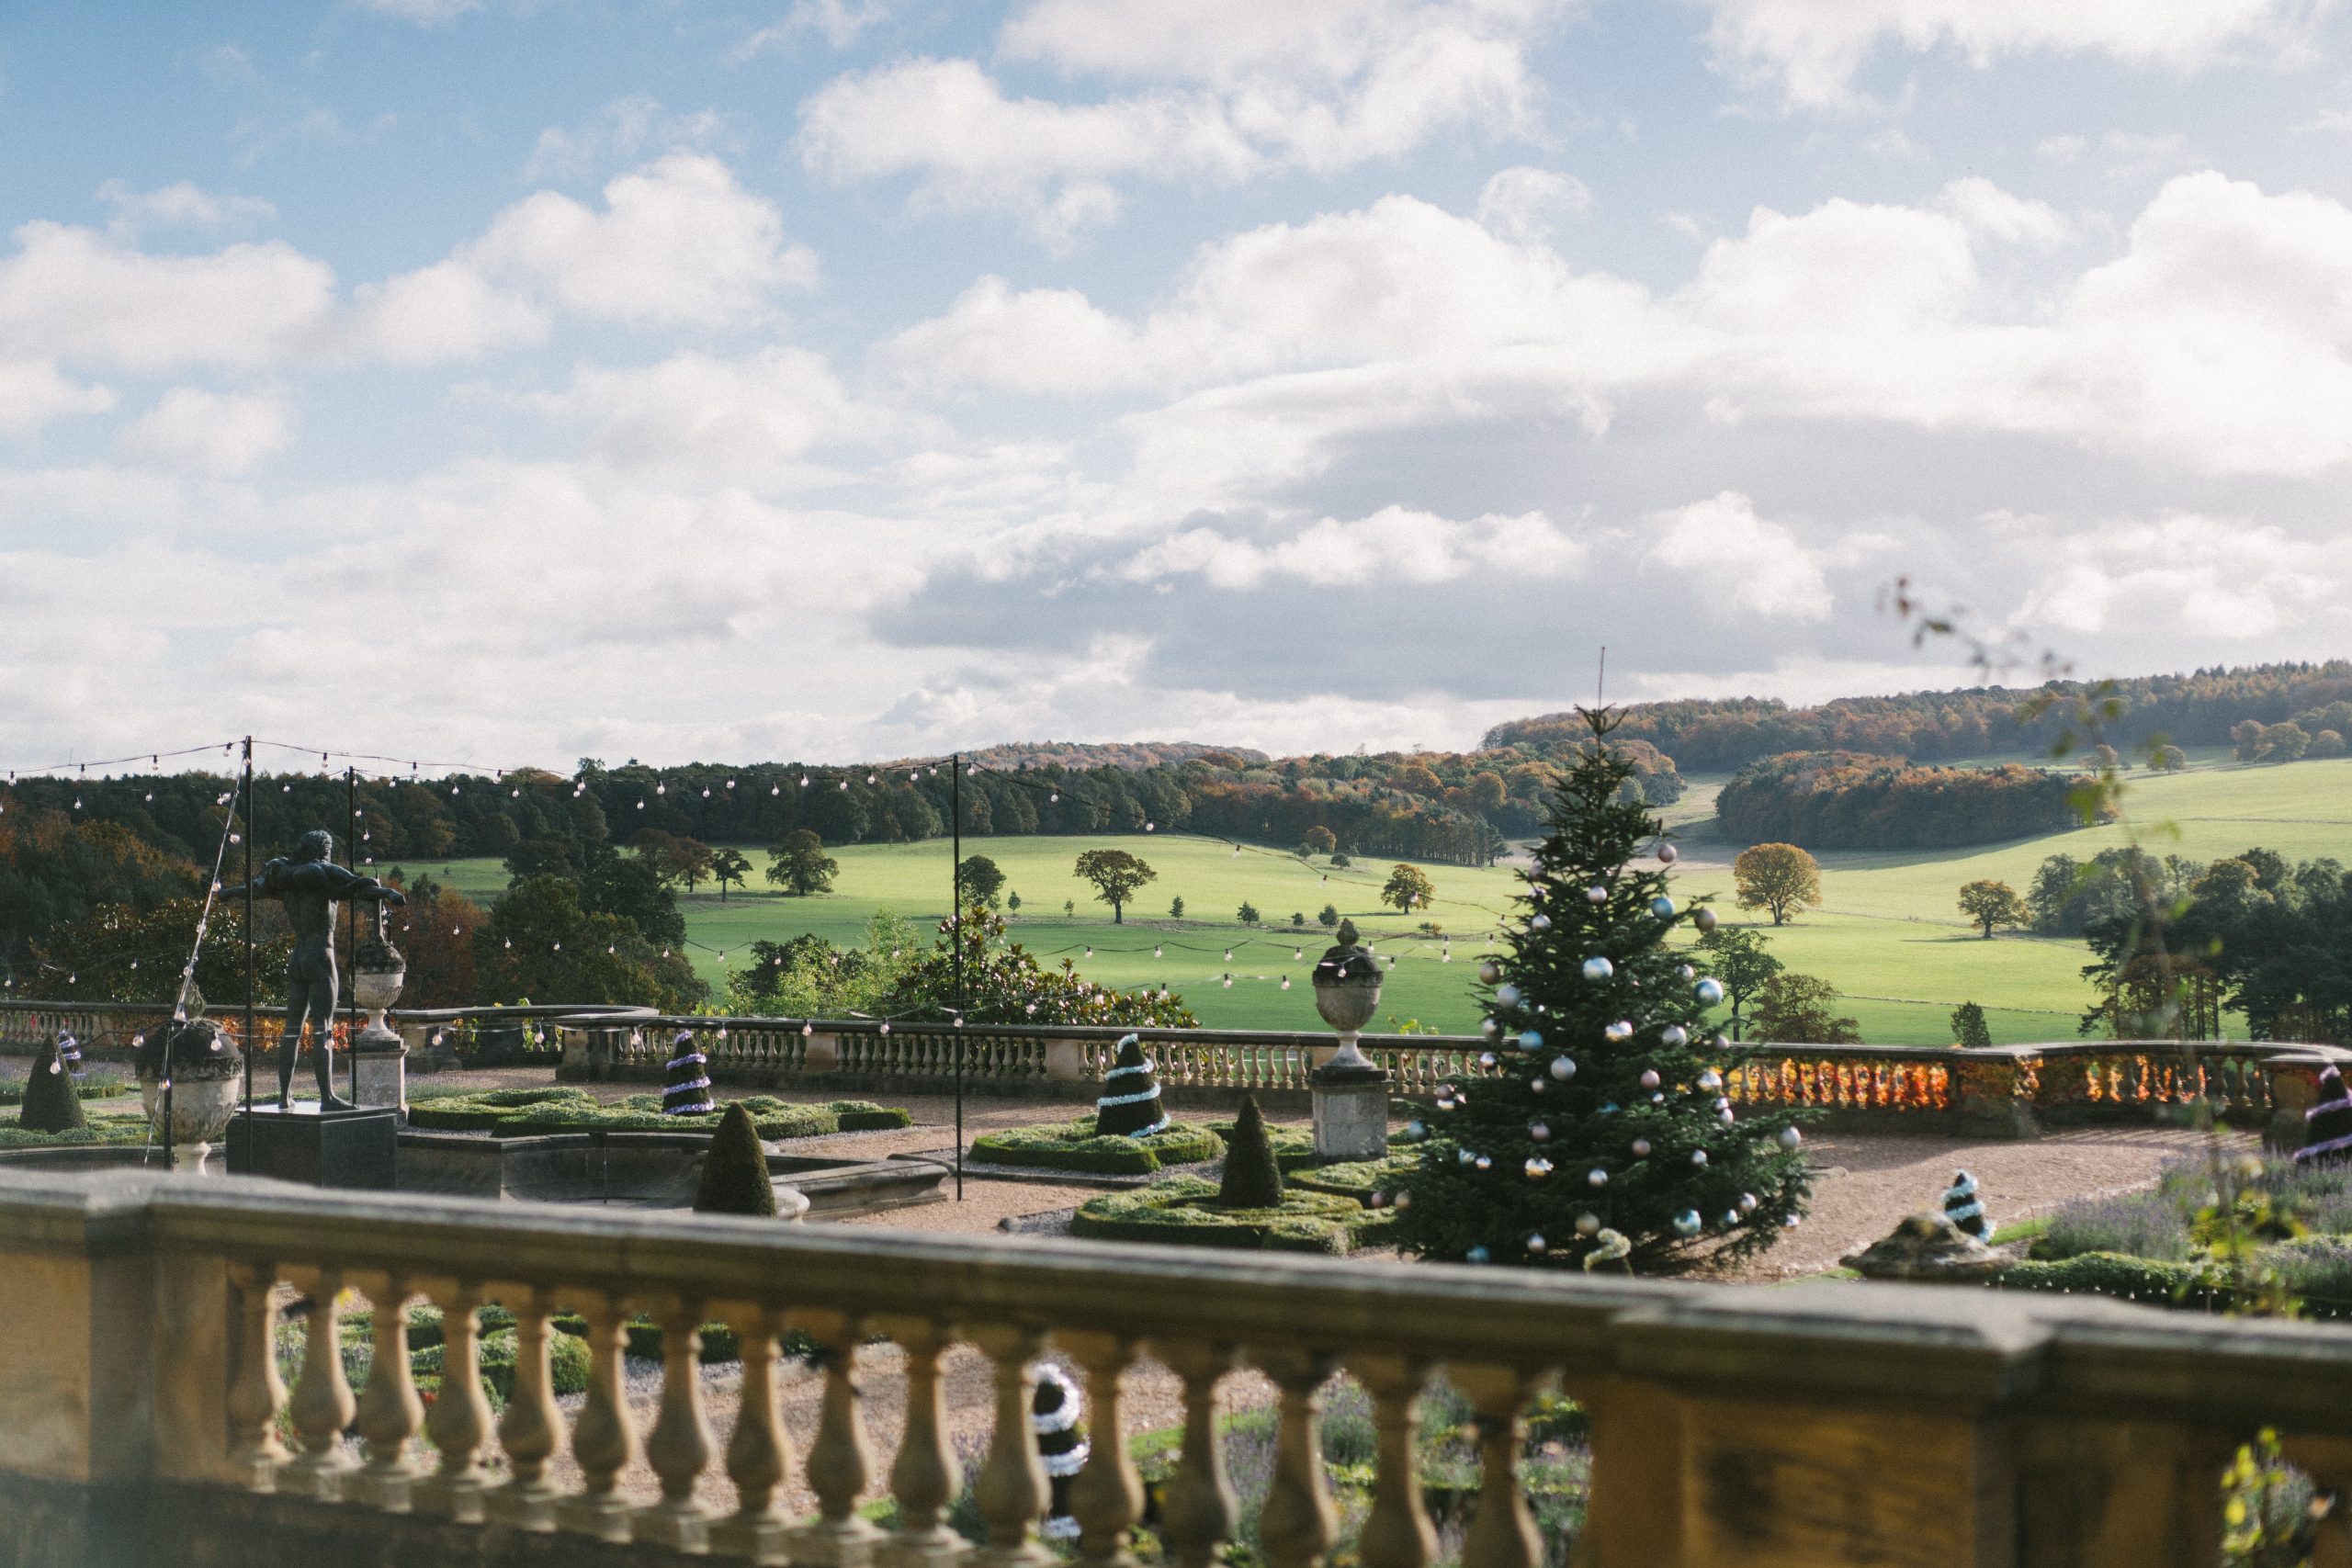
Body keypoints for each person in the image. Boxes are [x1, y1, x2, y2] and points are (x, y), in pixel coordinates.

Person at [221, 829, 404, 1111]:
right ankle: (328, 1098)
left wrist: (230, 892)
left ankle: (284, 1097)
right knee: (324, 1031)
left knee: (291, 1031)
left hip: (298, 958)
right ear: (323, 850)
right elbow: (360, 886)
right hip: (320, 956)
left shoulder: (283, 876)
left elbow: (253, 890)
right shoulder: (323, 873)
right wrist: (389, 893)